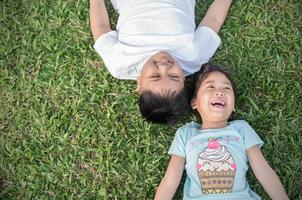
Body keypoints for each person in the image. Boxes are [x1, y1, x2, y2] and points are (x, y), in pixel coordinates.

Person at [154, 64, 289, 199]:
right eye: (210, 87)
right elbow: (170, 180)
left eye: (226, 88)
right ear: (195, 102)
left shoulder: (241, 129)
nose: (219, 92)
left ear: (233, 106)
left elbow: (263, 170)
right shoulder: (185, 133)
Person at [89, 0, 233, 124]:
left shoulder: (120, 63)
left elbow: (101, 27)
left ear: (139, 84)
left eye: (155, 76)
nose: (164, 66)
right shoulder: (194, 56)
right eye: (174, 76)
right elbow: (214, 19)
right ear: (183, 79)